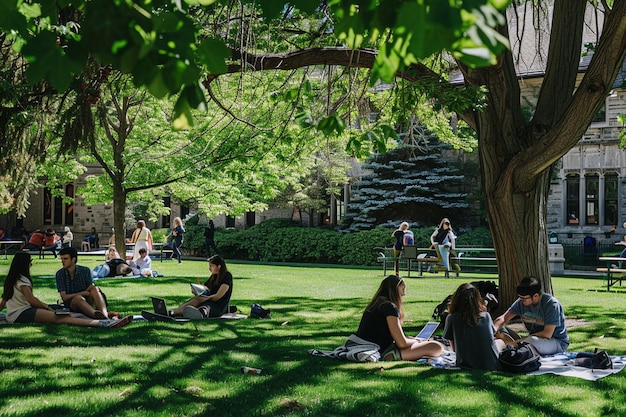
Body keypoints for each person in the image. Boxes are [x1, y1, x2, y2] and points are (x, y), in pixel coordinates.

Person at [0, 252, 130, 328]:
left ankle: (105, 318)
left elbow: (3, 301)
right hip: (23, 313)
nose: (31, 264)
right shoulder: (23, 280)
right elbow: (31, 300)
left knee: (64, 314)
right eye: (30, 261)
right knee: (62, 318)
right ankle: (102, 324)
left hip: (18, 313)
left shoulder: (12, 279)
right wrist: (47, 307)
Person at [356, 275, 444, 361]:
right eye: (402, 290)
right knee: (436, 347)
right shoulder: (389, 307)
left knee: (421, 343)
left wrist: (411, 339)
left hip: (369, 345)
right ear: (396, 290)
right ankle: (391, 356)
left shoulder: (376, 304)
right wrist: (418, 341)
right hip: (381, 349)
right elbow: (402, 343)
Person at [494, 276, 569, 356]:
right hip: (532, 339)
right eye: (520, 298)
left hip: (556, 342)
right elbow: (503, 318)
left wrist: (518, 341)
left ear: (535, 296)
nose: (521, 301)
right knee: (500, 327)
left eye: (524, 299)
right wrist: (492, 331)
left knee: (531, 340)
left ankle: (511, 345)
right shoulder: (521, 302)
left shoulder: (551, 304)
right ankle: (512, 345)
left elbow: (547, 334)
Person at [443, 283, 506, 370]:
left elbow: (454, 349)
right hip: (491, 364)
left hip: (465, 363)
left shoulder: (452, 318)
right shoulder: (486, 316)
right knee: (500, 342)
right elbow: (490, 337)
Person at [55, 247, 115, 320]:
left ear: (73, 259)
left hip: (87, 300)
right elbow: (64, 297)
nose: (62, 261)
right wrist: (82, 293)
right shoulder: (60, 274)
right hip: (72, 304)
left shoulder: (85, 270)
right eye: (62, 259)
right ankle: (96, 315)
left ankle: (104, 314)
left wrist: (86, 292)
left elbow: (90, 287)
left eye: (65, 259)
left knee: (95, 289)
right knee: (78, 298)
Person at [170, 255, 233, 319]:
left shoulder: (226, 276)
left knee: (205, 307)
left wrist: (204, 298)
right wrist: (197, 291)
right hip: (209, 301)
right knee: (194, 301)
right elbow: (205, 288)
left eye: (212, 266)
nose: (210, 268)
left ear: (219, 266)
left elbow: (218, 296)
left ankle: (198, 313)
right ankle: (175, 312)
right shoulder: (214, 276)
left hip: (218, 306)